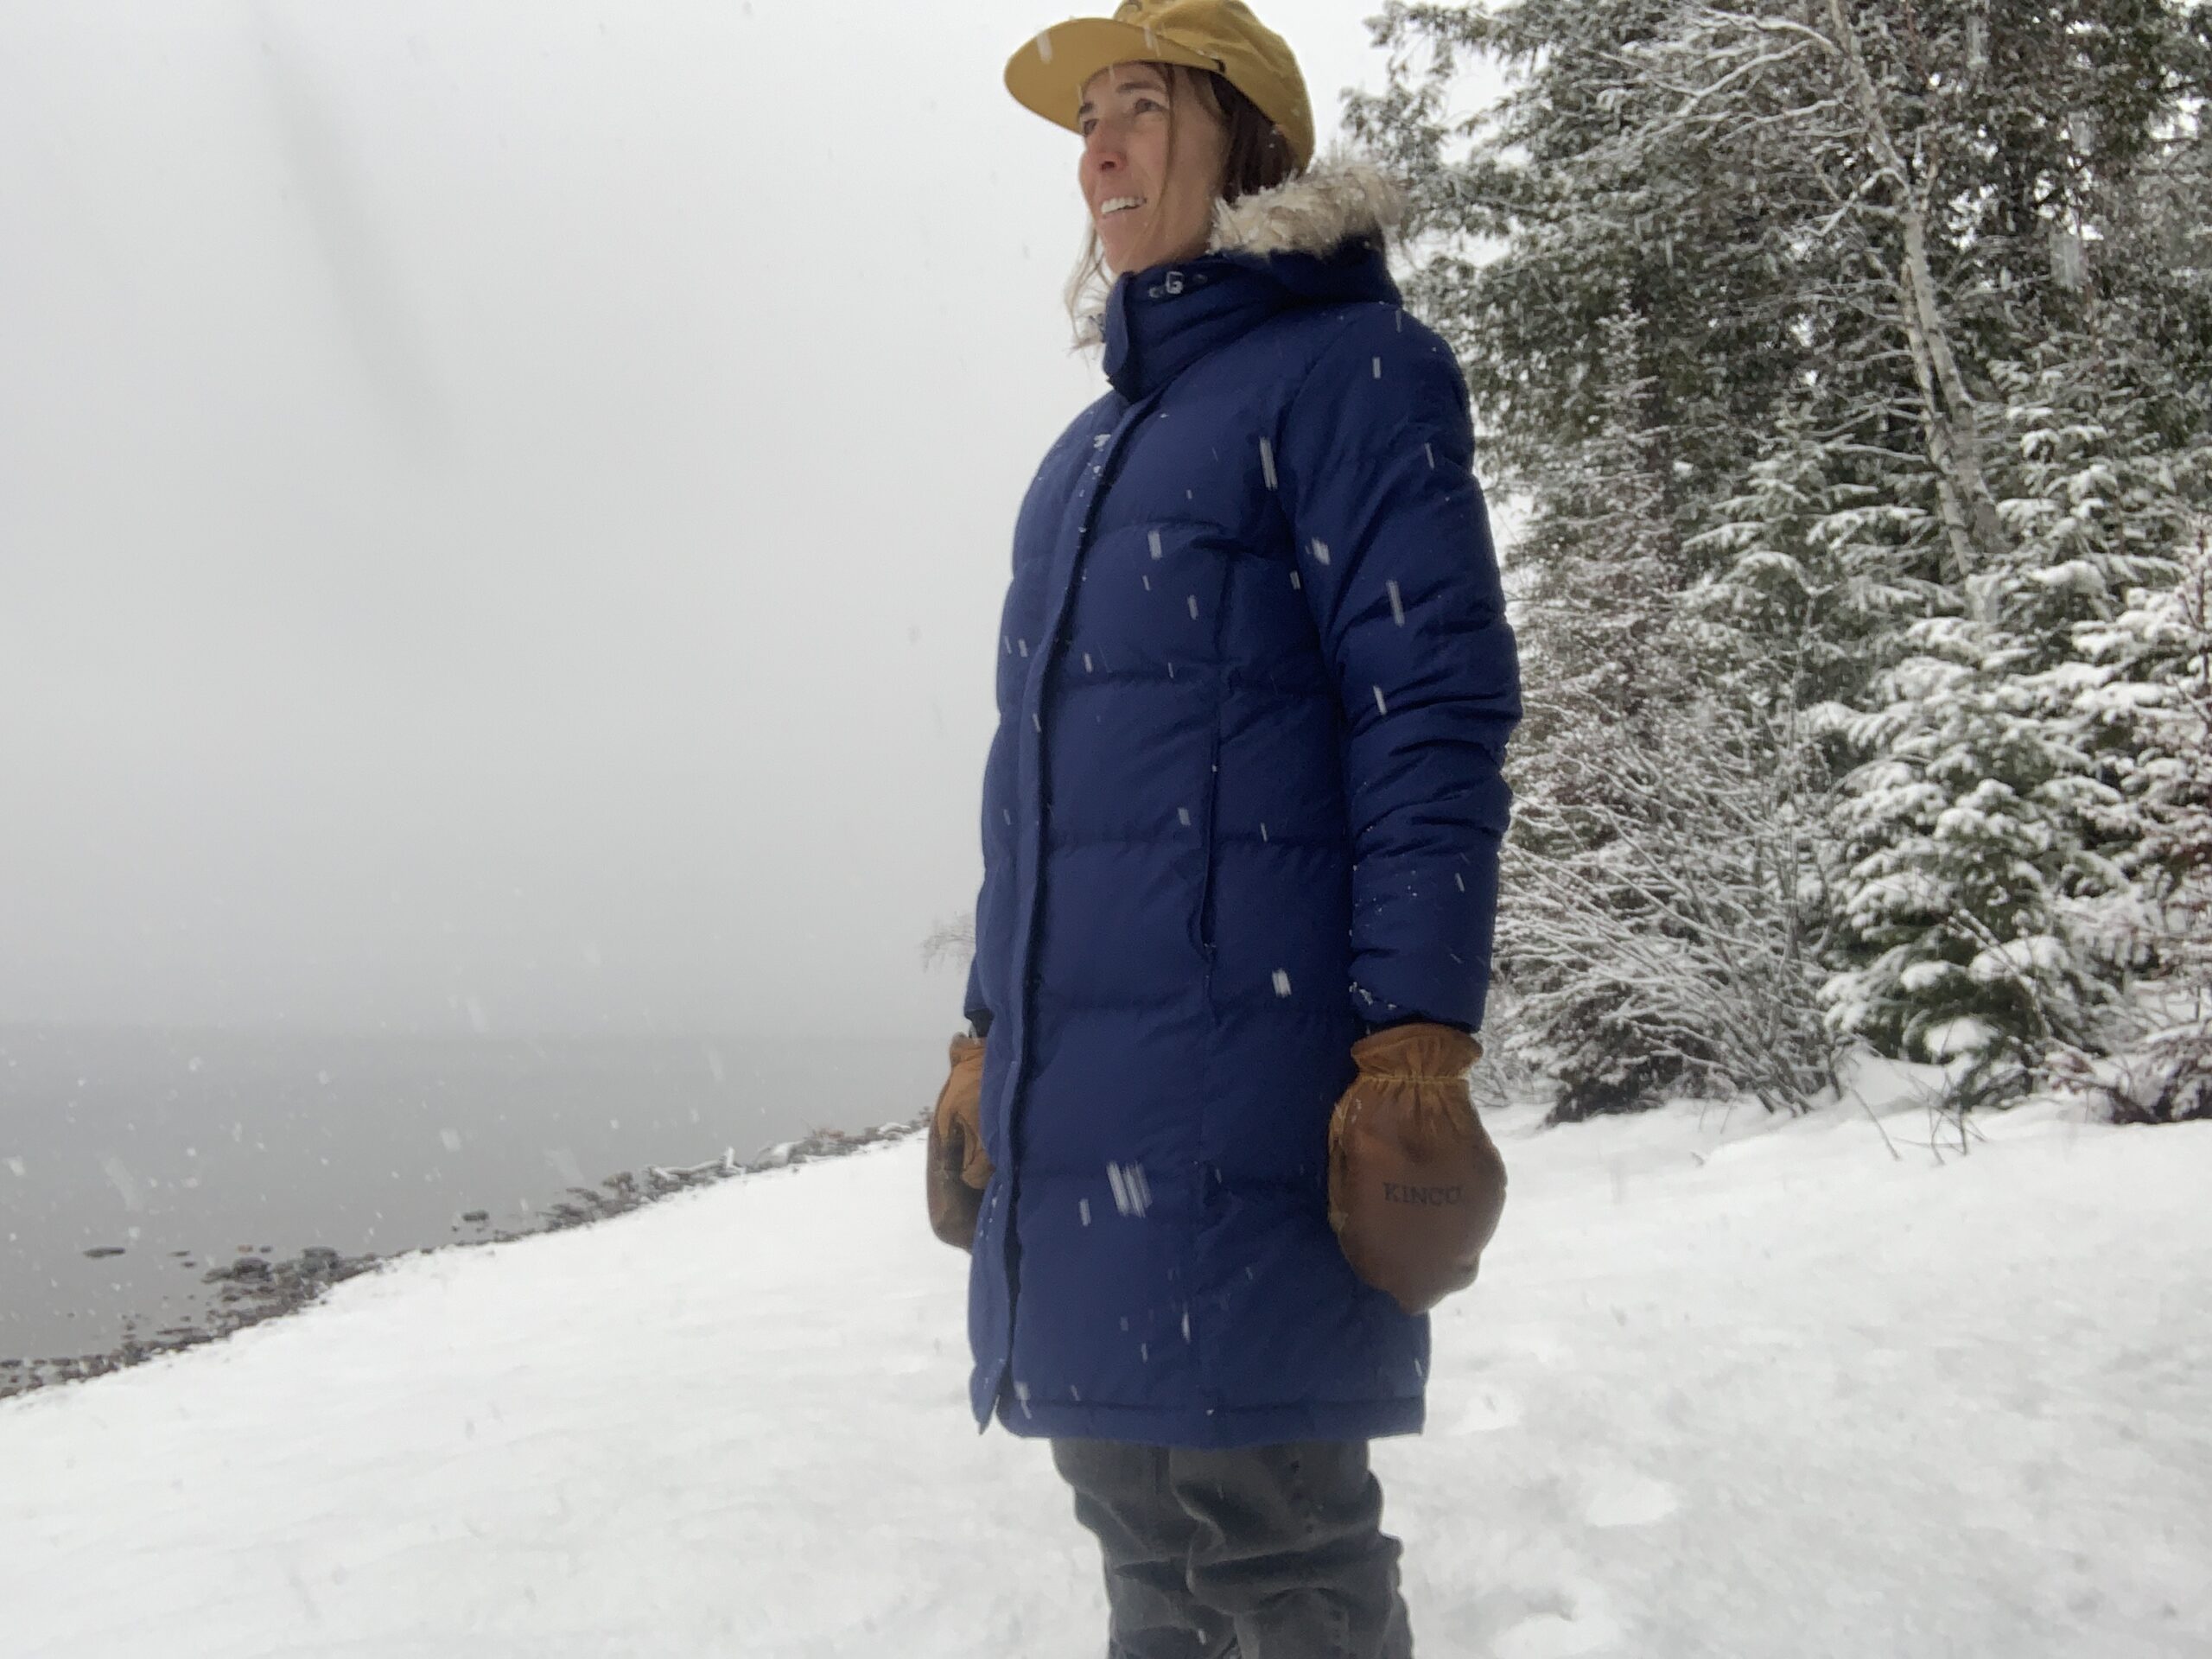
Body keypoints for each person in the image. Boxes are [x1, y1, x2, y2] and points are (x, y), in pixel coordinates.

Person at [927, 3, 1522, 1653]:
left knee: (1271, 1544)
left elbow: (1431, 703)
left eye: (1138, 110)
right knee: (1139, 1533)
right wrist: (987, 1039)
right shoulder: (1086, 459)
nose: (1097, 153)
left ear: (1244, 143)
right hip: (1087, 1106)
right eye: (1085, 124)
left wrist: (1413, 1039)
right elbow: (1029, 798)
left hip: (1254, 1091)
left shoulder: (1354, 371)